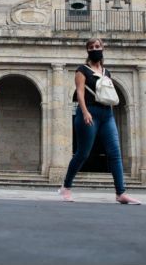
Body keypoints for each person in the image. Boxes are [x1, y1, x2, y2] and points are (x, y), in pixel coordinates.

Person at [59, 38, 141, 205]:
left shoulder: (106, 72)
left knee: (115, 152)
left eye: (97, 46)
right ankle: (66, 187)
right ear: (87, 51)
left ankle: (120, 193)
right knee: (83, 153)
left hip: (107, 114)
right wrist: (85, 112)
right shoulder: (82, 70)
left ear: (103, 48)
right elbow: (80, 93)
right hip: (89, 112)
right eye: (91, 47)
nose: (94, 49)